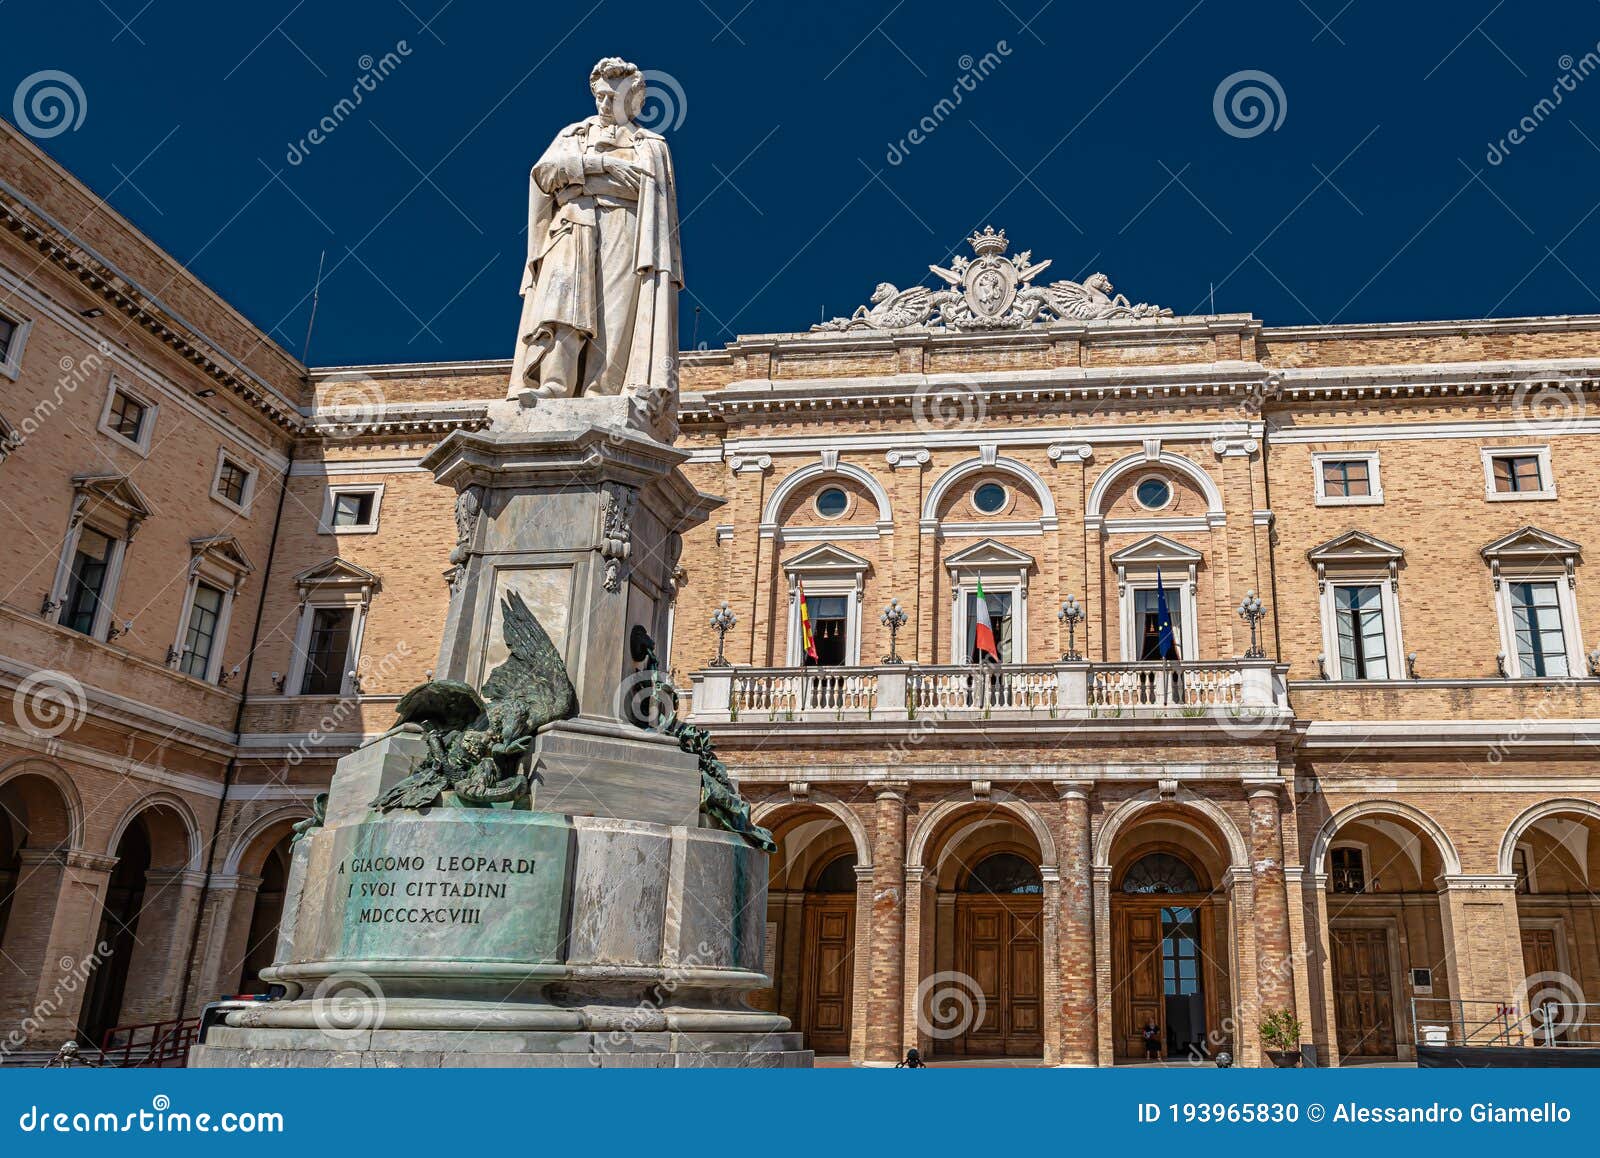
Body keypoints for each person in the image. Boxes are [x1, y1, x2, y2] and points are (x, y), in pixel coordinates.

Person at [508, 57, 682, 421]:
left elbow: (656, 198)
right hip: (573, 221)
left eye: (614, 98)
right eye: (600, 96)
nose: (605, 105)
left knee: (616, 312)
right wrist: (602, 167)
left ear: (633, 100)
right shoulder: (573, 135)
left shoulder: (650, 144)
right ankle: (554, 385)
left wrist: (580, 174)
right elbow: (544, 177)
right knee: (561, 307)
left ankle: (601, 393)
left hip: (627, 226)